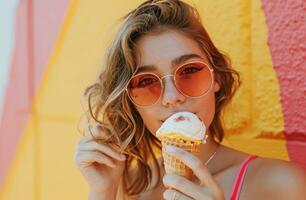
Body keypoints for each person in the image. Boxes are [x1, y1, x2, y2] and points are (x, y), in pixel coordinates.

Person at [73, 0, 306, 199]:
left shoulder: (280, 184)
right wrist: (103, 192)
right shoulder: (131, 184)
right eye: (146, 82)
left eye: (189, 70)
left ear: (216, 77)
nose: (172, 97)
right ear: (131, 101)